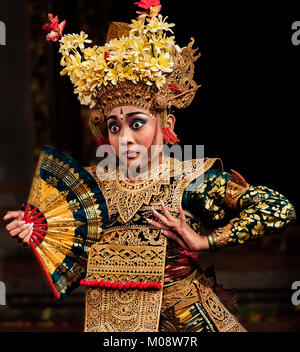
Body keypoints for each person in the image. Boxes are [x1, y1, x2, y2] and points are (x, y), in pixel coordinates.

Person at [3, 0, 296, 332]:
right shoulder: (92, 186)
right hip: (109, 324)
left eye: (137, 123)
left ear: (165, 123)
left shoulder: (191, 180)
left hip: (183, 325)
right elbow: (85, 258)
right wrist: (37, 232)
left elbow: (278, 208)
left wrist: (204, 242)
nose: (124, 138)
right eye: (114, 127)